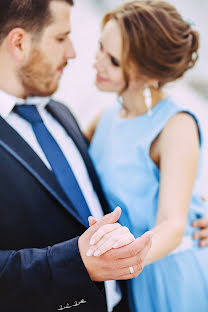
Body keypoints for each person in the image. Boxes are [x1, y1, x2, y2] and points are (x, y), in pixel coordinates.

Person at [0, 1, 154, 311]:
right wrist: (74, 262)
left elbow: (112, 184)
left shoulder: (62, 114)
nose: (72, 52)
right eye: (61, 38)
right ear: (19, 43)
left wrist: (185, 213)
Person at [87, 1, 208, 311]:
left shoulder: (176, 125)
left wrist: (123, 258)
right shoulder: (103, 117)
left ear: (148, 72)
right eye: (100, 47)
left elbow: (172, 224)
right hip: (129, 275)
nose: (96, 62)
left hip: (171, 274)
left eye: (113, 60)